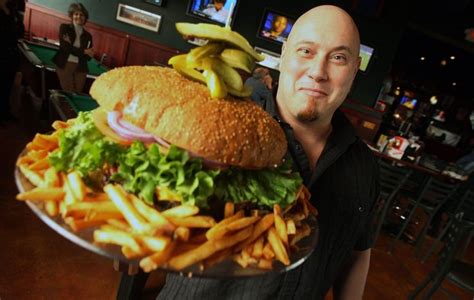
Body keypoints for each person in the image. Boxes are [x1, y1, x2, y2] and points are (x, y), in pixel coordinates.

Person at [157, 5, 379, 299]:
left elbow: (357, 256)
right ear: (284, 54)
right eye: (306, 51)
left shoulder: (366, 167)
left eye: (338, 58)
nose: (318, 72)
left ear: (354, 71)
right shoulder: (220, 124)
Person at [52, 2, 94, 93]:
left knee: (77, 93)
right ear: (71, 15)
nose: (79, 17)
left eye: (81, 15)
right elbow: (65, 48)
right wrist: (84, 51)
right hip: (65, 63)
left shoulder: (88, 36)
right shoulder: (64, 28)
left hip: (81, 67)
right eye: (76, 14)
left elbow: (87, 57)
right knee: (69, 93)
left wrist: (89, 54)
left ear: (85, 17)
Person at [0, 0, 24, 123]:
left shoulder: (13, 10)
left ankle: (5, 111)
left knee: (8, 84)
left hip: (12, 53)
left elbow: (21, 31)